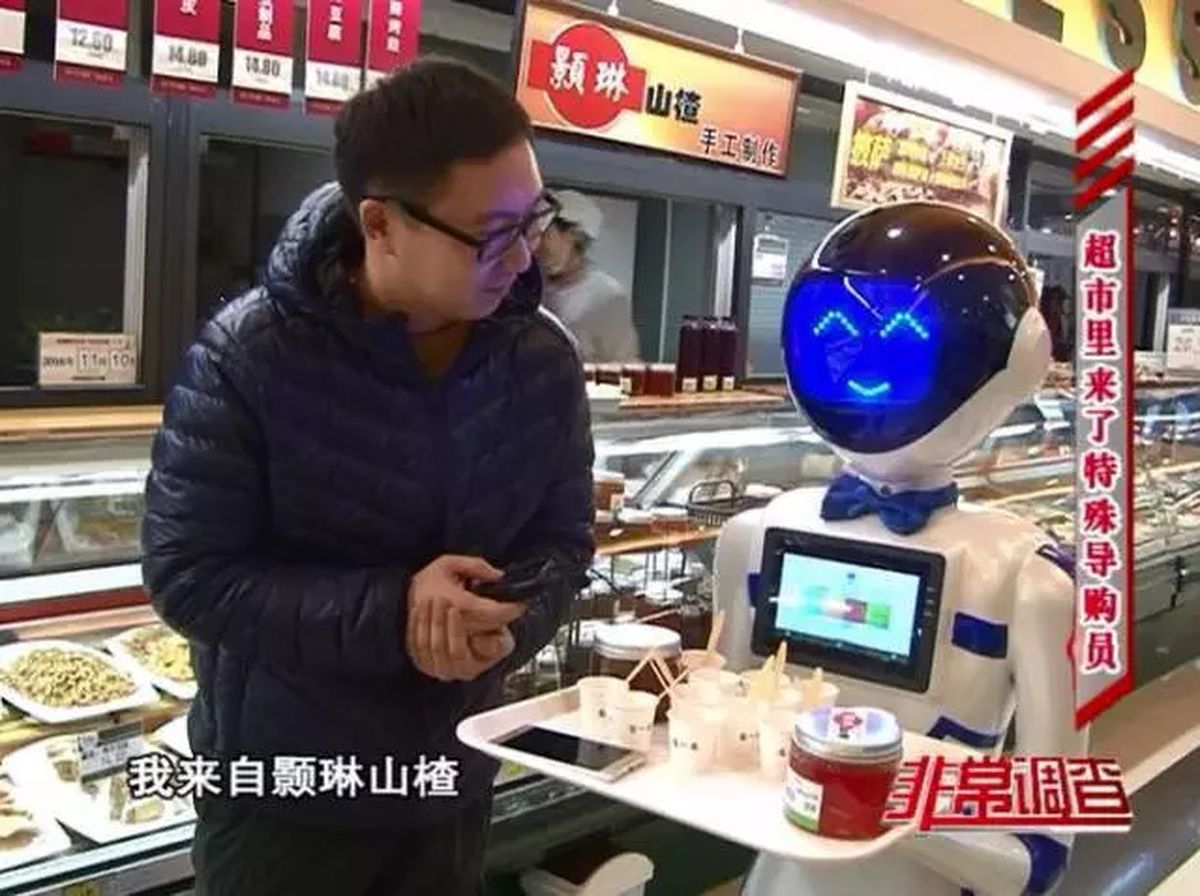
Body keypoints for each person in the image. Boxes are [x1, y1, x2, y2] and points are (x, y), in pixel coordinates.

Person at [142, 58, 595, 896]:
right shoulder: (249, 356)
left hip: (451, 777)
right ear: (381, 223)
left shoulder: (541, 360)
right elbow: (188, 575)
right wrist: (396, 614)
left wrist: (503, 625)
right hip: (285, 796)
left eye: (533, 219)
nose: (524, 256)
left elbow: (563, 541)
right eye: (492, 234)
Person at [537, 189, 640, 362]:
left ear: (573, 236)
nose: (535, 245)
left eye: (545, 234)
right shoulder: (529, 287)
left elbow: (623, 363)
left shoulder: (606, 296)